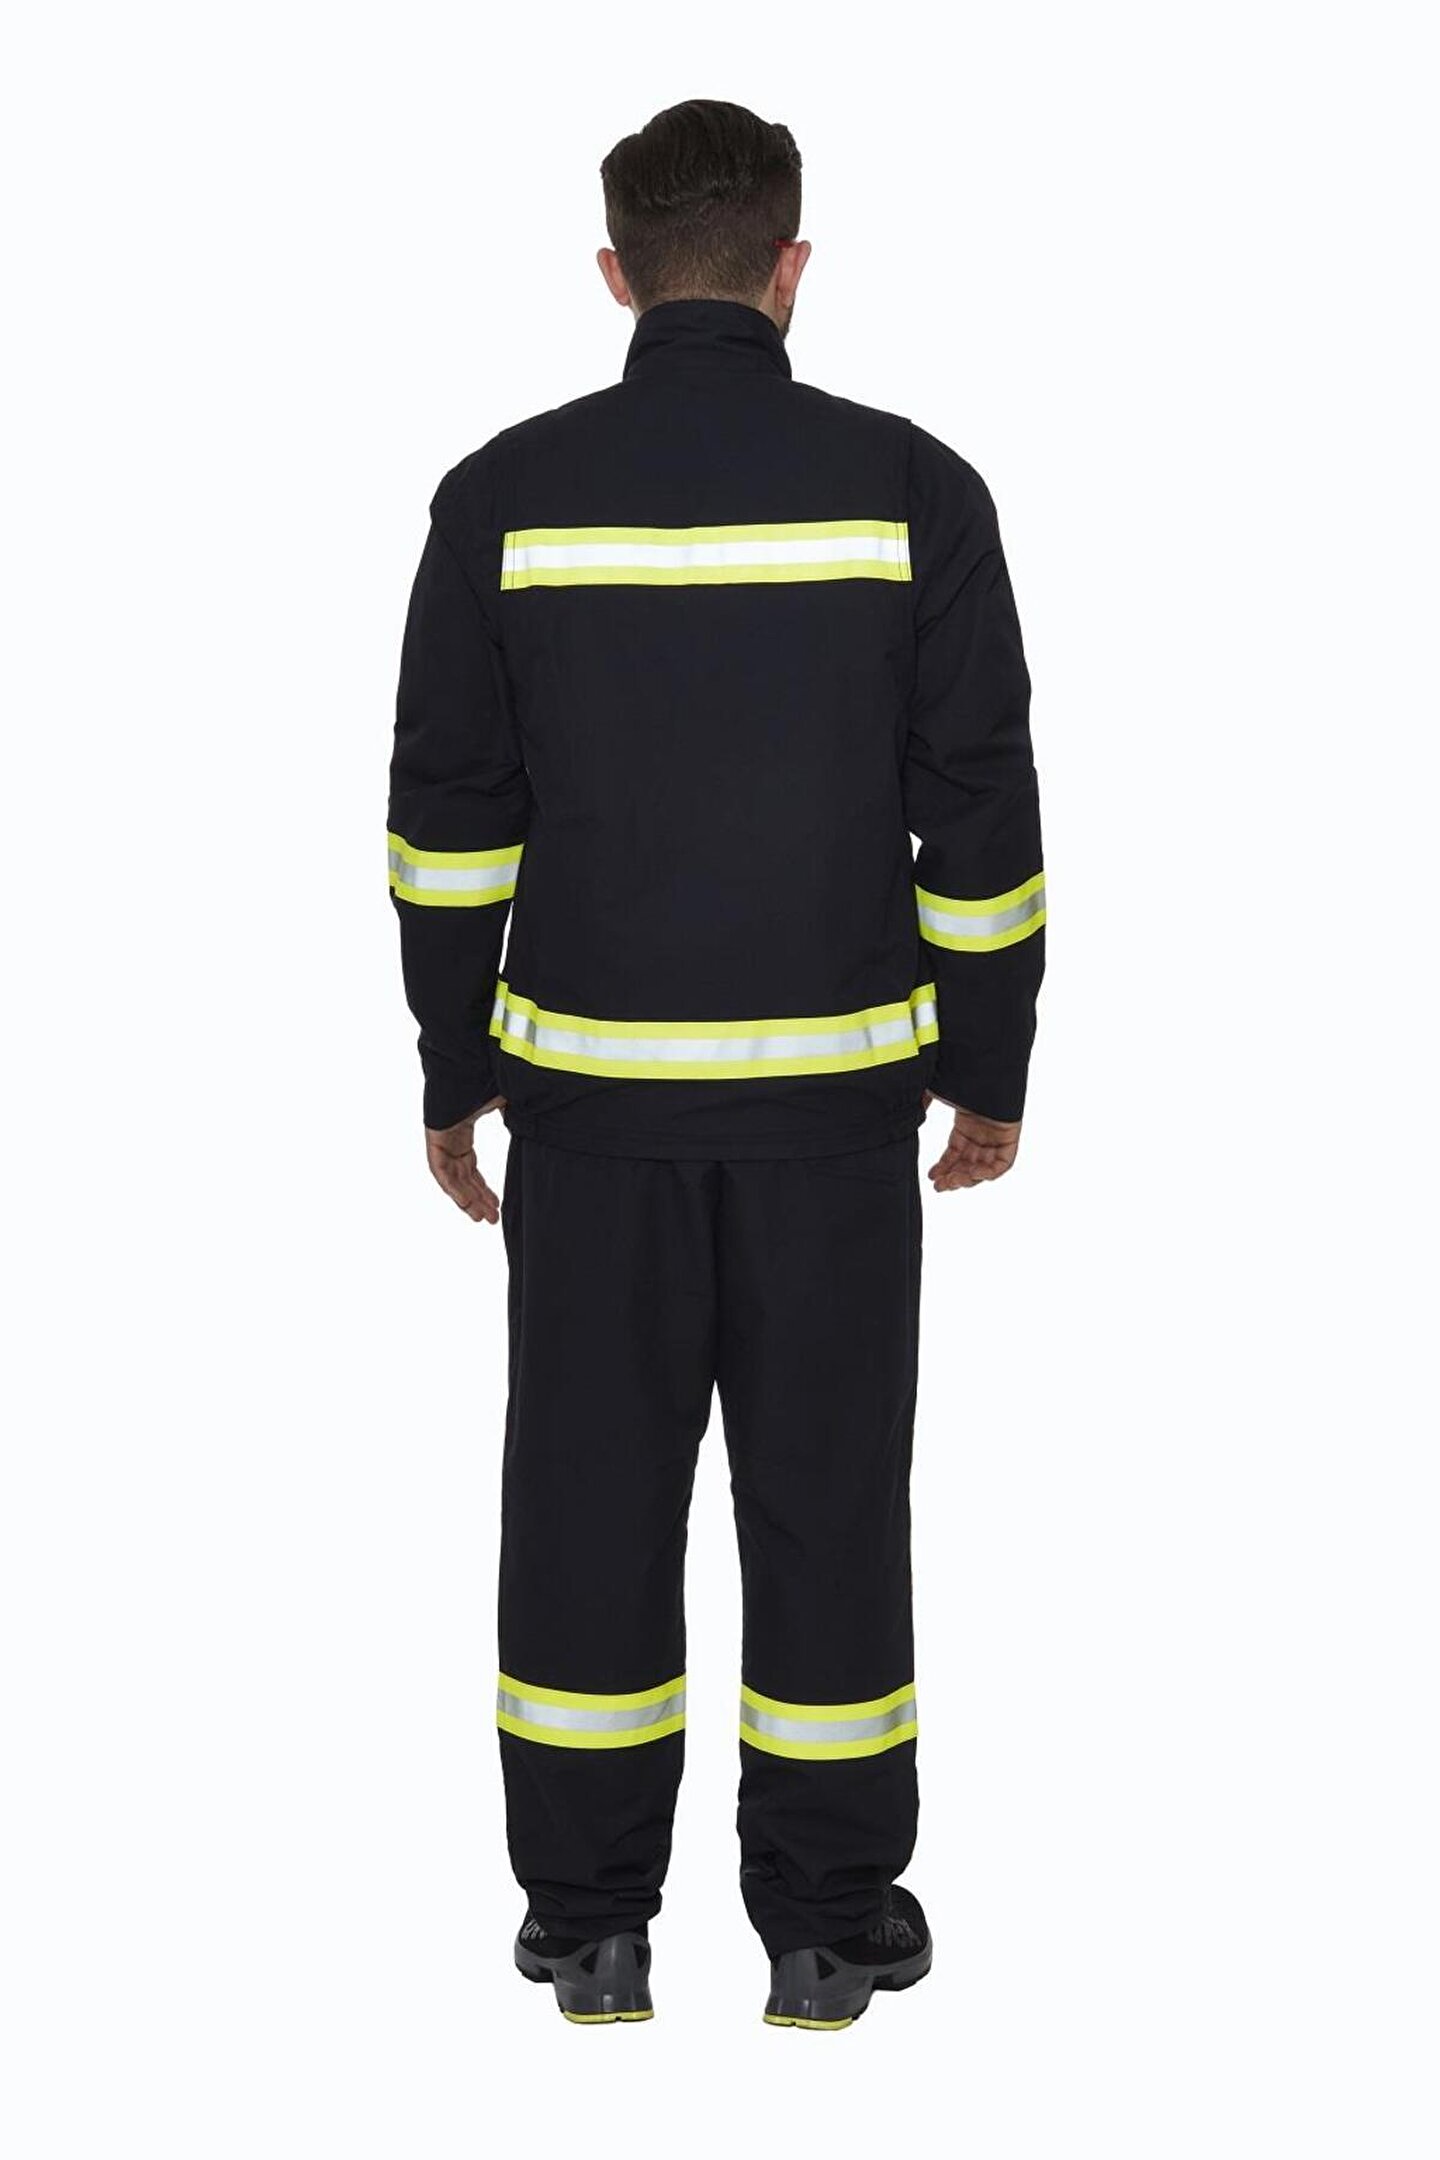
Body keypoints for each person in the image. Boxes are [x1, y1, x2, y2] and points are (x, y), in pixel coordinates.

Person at [388, 97, 1045, 2031]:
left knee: (585, 1506)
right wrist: (991, 1063)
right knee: (827, 1504)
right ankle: (828, 1929)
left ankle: (591, 1922)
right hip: (835, 1125)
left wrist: (451, 1065)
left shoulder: (501, 502)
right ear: (792, 264)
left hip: (588, 1123)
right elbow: (981, 818)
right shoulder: (913, 494)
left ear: (615, 273)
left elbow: (447, 824)